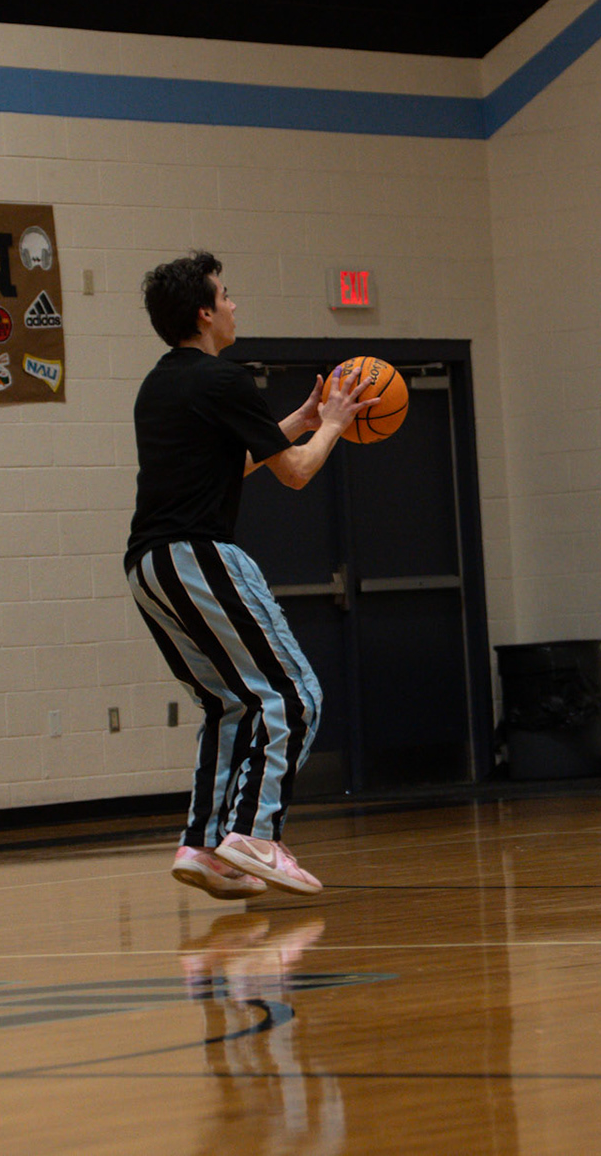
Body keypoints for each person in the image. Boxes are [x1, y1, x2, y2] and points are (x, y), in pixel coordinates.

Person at [125, 251, 365, 898]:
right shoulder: (225, 380)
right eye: (225, 295)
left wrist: (299, 422)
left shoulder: (160, 384)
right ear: (205, 313)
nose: (234, 305)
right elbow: (296, 473)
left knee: (230, 703)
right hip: (198, 554)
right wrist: (333, 426)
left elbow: (225, 467)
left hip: (149, 566)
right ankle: (255, 835)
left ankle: (204, 846)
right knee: (293, 695)